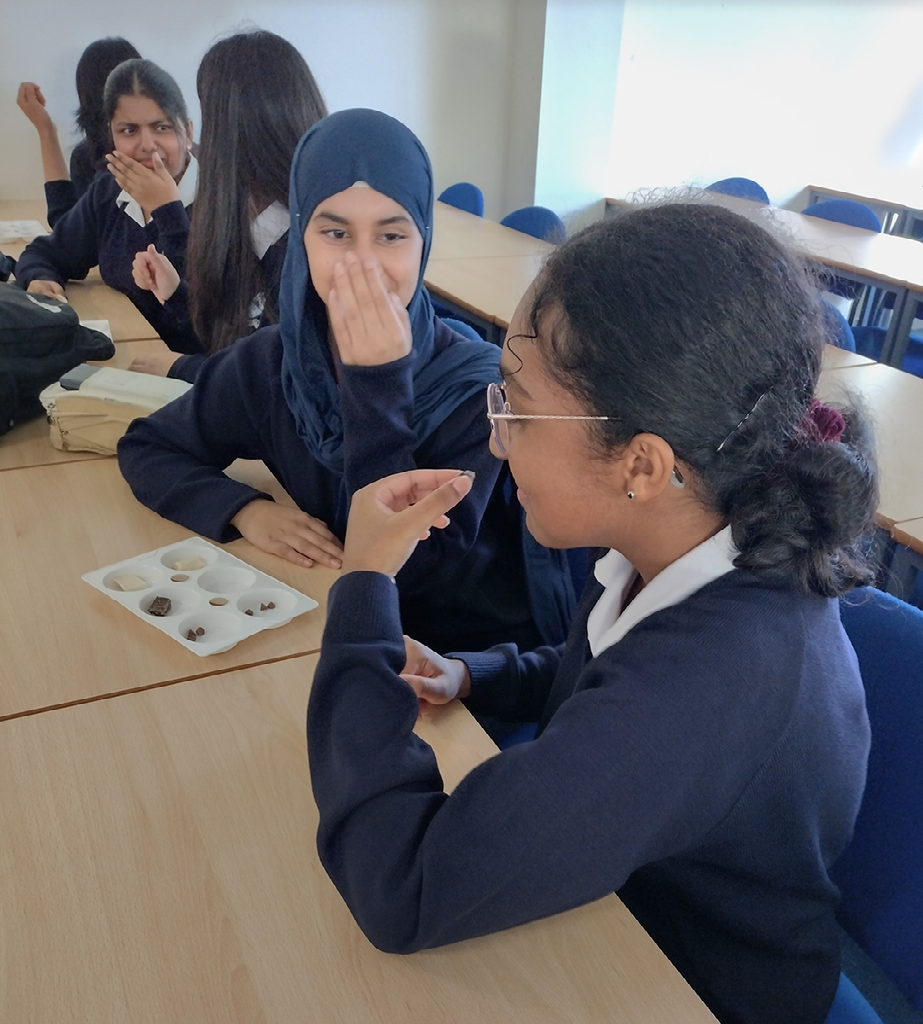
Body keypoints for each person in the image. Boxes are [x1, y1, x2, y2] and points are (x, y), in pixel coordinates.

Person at [306, 203, 878, 1024]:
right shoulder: (687, 538)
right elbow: (601, 674)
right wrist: (478, 674)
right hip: (618, 906)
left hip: (690, 985)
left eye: (516, 408)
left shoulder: (707, 685)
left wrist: (362, 587)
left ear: (641, 463)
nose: (496, 438)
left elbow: (402, 886)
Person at [117, 108, 573, 654]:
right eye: (335, 232)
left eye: (391, 235)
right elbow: (148, 445)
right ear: (301, 238)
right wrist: (244, 509)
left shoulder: (476, 390)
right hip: (326, 620)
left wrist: (374, 383)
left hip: (455, 659)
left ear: (423, 242)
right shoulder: (273, 362)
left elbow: (399, 572)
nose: (363, 264)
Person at [128, 29, 327, 381]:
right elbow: (231, 346)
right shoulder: (252, 222)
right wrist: (176, 294)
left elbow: (277, 386)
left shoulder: (304, 245)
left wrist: (182, 368)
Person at [14, 59, 200, 355]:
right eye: (129, 131)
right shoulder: (109, 190)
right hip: (125, 355)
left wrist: (168, 210)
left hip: (194, 372)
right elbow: (46, 252)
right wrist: (40, 278)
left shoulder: (220, 201)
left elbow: (209, 322)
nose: (147, 144)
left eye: (161, 127)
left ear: (188, 133)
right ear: (112, 137)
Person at [17, 37, 141, 228]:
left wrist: (46, 131)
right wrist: (46, 130)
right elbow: (70, 237)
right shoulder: (87, 156)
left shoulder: (122, 161)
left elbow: (68, 233)